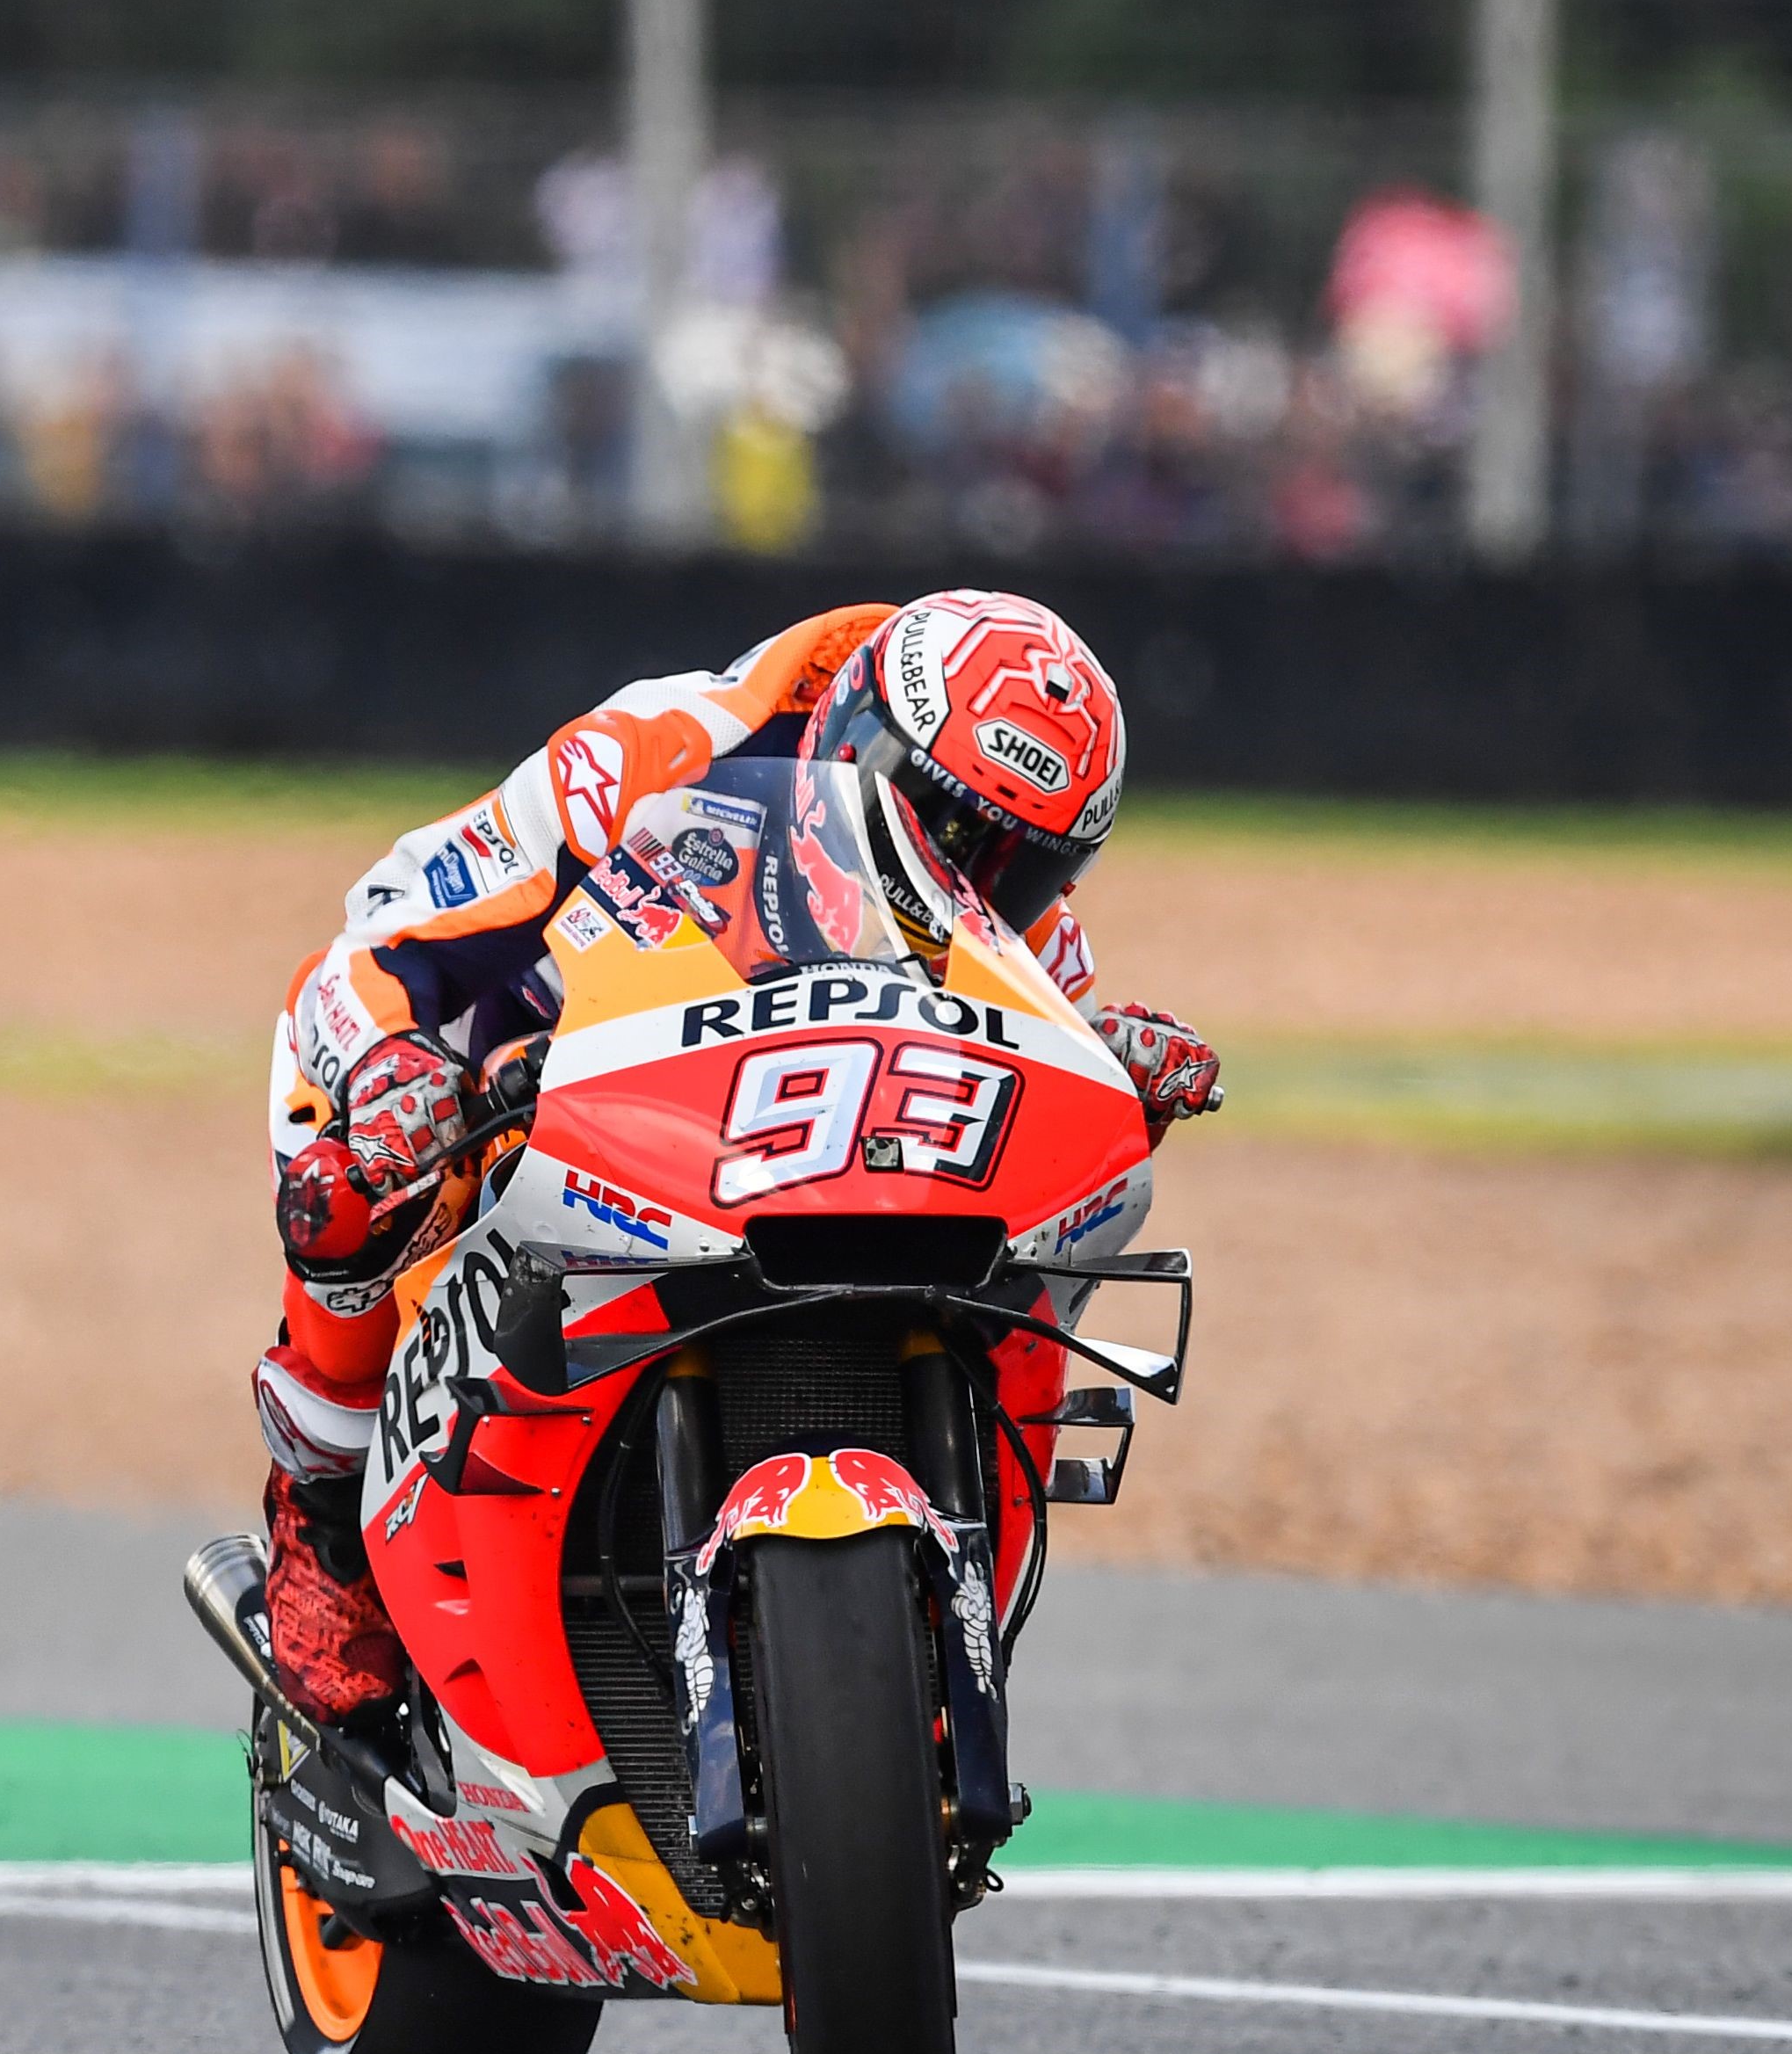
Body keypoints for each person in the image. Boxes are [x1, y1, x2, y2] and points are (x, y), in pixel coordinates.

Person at [250, 589, 1224, 1722]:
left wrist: (1116, 1076)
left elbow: (1031, 1122)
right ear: (859, 736)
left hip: (794, 1165)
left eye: (1030, 863)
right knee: (364, 1192)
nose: (982, 879)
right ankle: (320, 1522)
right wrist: (391, 1072)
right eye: (951, 829)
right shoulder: (650, 756)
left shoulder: (1021, 921)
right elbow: (373, 948)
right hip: (536, 1084)